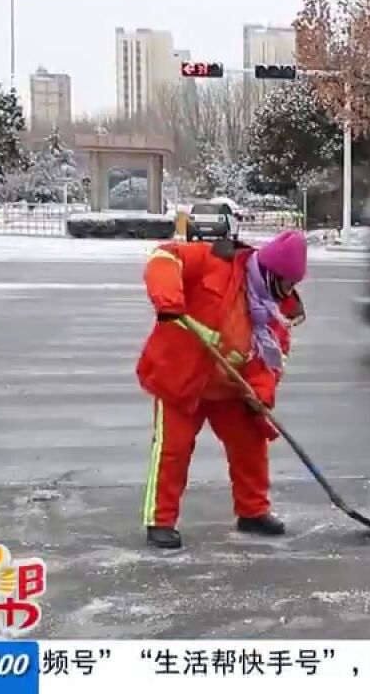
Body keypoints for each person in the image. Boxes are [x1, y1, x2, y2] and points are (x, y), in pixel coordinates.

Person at [136, 229, 308, 549]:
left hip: (230, 386)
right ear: (273, 273)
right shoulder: (215, 260)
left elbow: (272, 362)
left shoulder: (275, 310)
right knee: (172, 450)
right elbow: (163, 258)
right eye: (287, 283)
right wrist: (168, 298)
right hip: (183, 377)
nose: (289, 291)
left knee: (250, 444)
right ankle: (160, 520)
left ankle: (252, 512)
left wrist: (260, 392)